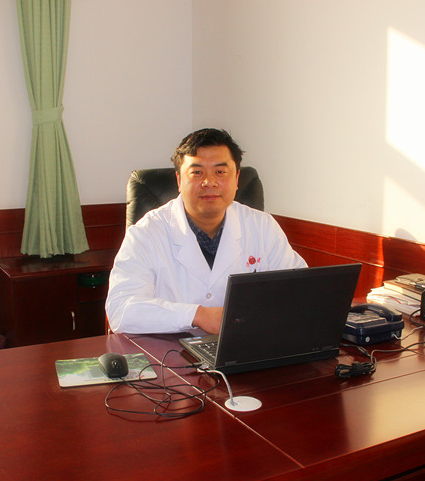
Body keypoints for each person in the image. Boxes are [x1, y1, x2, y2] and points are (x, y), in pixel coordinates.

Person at [106, 128, 306, 334]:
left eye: (220, 172)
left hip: (244, 343)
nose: (209, 182)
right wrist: (196, 315)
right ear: (179, 181)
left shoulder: (262, 226)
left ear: (237, 178)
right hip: (167, 348)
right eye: (197, 172)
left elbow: (301, 291)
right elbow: (120, 309)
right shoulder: (146, 233)